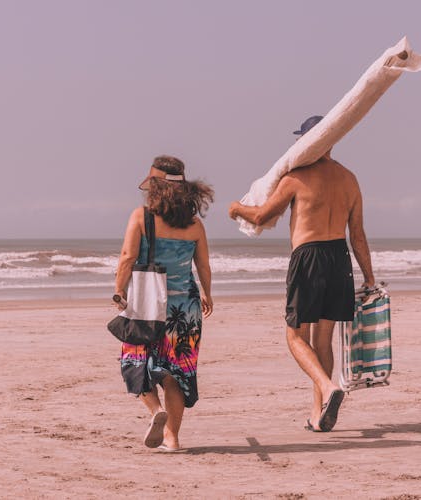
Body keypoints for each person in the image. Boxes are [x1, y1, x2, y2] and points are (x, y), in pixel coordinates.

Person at [228, 115, 375, 432]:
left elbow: (263, 215)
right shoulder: (350, 179)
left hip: (308, 257)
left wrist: (236, 209)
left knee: (295, 337)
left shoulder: (296, 178)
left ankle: (329, 386)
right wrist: (370, 278)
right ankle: (317, 415)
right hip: (339, 258)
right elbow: (358, 236)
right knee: (322, 340)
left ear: (311, 141)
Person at [114, 155, 214, 452]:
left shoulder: (140, 218)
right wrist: (207, 293)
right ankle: (172, 438)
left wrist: (119, 291)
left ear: (154, 187)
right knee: (177, 372)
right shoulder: (194, 225)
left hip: (147, 304)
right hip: (185, 309)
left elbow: (127, 258)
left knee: (134, 361)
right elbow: (204, 266)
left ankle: (155, 409)